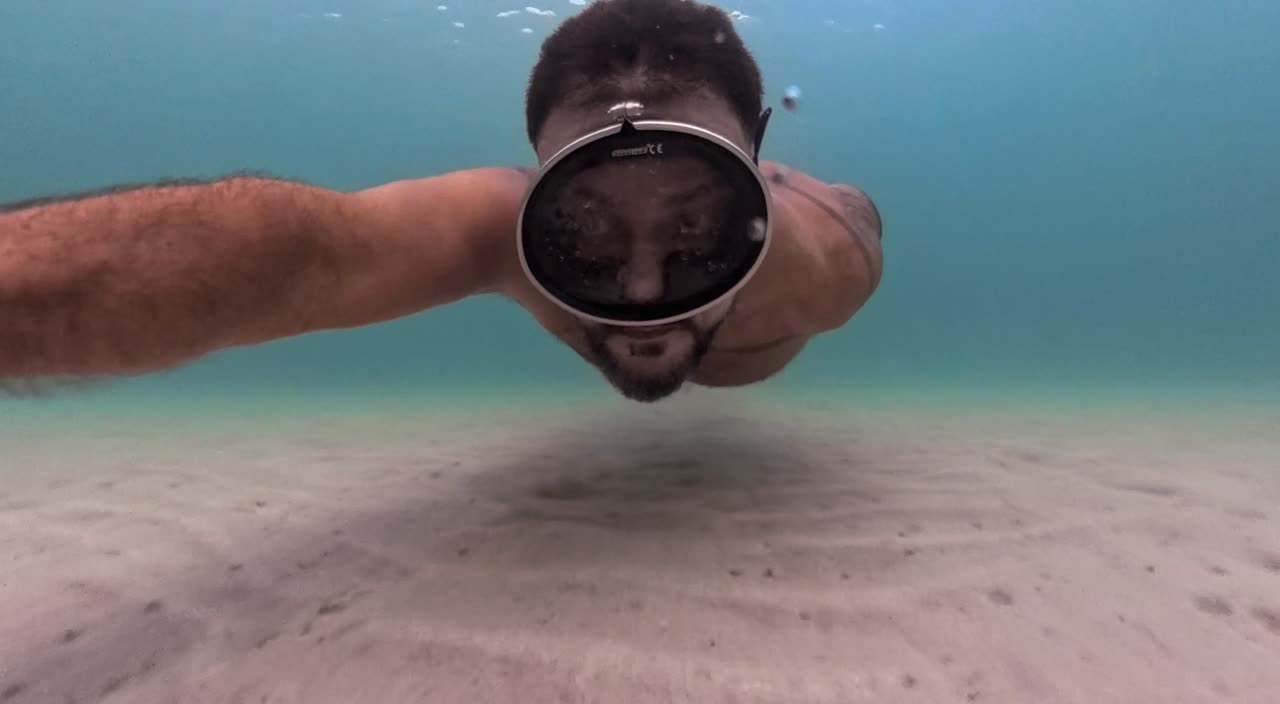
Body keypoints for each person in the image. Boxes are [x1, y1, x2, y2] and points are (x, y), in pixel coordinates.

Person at [0, 0, 883, 403]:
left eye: (698, 225)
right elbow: (296, 252)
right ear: (533, 178)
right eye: (584, 225)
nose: (644, 295)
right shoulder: (497, 225)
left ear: (759, 164)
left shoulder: (833, 261)